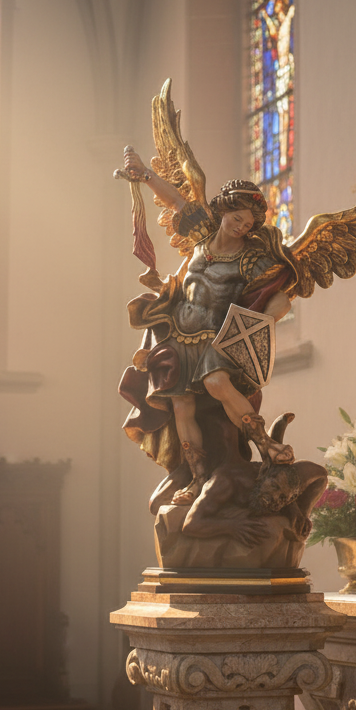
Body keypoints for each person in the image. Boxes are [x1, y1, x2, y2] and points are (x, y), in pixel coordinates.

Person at [121, 147, 295, 507]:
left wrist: (268, 318)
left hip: (217, 339)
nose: (242, 226)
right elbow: (175, 201)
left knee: (217, 383)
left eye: (248, 224)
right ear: (224, 211)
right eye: (237, 218)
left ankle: (266, 445)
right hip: (178, 336)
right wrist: (143, 174)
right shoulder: (201, 237)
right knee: (181, 406)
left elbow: (281, 296)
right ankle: (197, 479)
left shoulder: (251, 259)